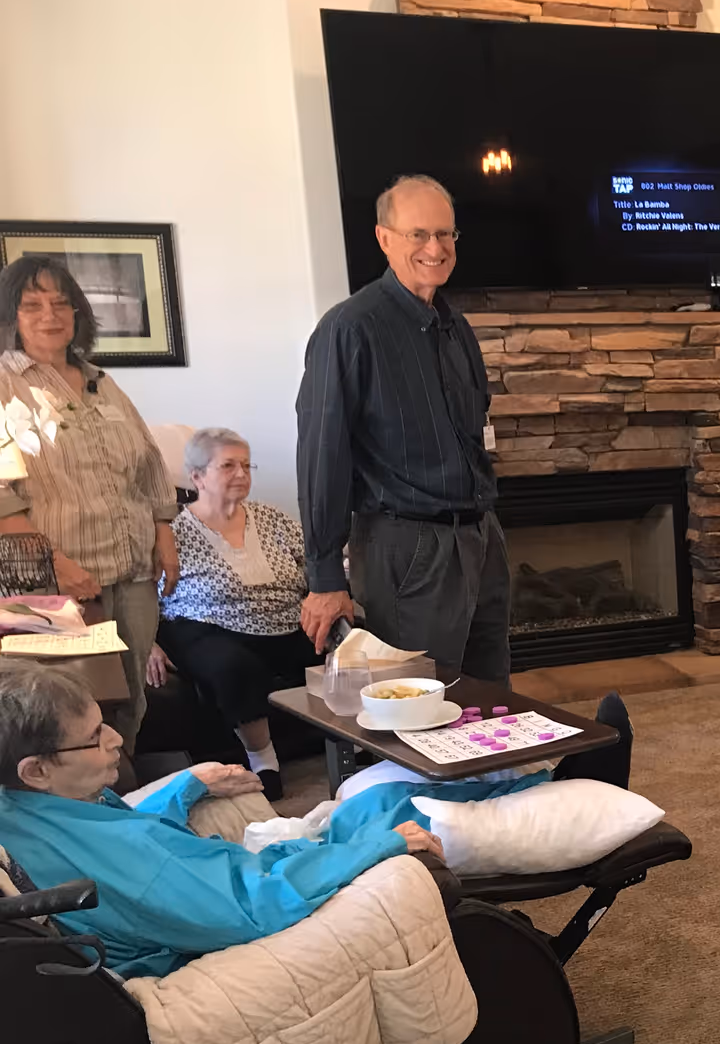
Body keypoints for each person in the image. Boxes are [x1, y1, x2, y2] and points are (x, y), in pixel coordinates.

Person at [0, 658, 442, 980]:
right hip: (236, 907)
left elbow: (121, 830)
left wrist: (188, 785)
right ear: (36, 770)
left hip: (205, 882)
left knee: (370, 804)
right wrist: (376, 849)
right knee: (387, 813)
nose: (117, 741)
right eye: (95, 739)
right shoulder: (123, 860)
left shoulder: (20, 808)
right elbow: (252, 907)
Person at [296, 174, 508, 681]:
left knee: (492, 699)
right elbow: (322, 455)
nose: (435, 248)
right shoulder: (349, 329)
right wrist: (325, 577)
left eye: (445, 234)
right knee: (419, 710)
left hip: (479, 539)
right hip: (409, 548)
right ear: (384, 238)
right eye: (418, 234)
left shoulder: (456, 330)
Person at [0, 256, 179, 744]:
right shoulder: (5, 386)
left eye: (61, 303)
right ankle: (75, 812)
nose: (49, 315)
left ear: (78, 312)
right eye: (31, 304)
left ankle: (118, 799)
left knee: (129, 705)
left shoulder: (103, 382)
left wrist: (165, 534)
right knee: (66, 713)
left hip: (134, 574)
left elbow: (149, 465)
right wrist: (54, 564)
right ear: (10, 316)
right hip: (53, 583)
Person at [151, 428, 313, 801]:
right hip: (205, 626)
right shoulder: (170, 533)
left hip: (284, 621)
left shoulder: (273, 519)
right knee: (233, 666)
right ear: (196, 477)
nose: (241, 474)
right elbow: (143, 593)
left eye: (246, 465)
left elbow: (315, 567)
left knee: (347, 647)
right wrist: (148, 644)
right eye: (228, 466)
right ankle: (264, 761)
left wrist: (325, 597)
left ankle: (350, 743)